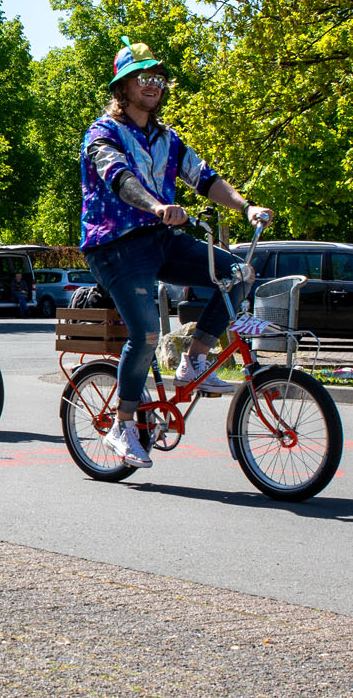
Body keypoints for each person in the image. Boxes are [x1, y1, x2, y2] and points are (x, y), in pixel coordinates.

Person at [80, 38, 273, 469]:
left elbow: (203, 177)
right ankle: (123, 425)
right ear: (122, 87)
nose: (152, 84)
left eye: (157, 78)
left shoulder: (168, 138)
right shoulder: (102, 134)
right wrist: (156, 206)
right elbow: (119, 177)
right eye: (141, 77)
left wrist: (246, 206)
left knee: (240, 275)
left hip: (162, 239)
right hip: (115, 245)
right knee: (146, 334)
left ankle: (195, 357)